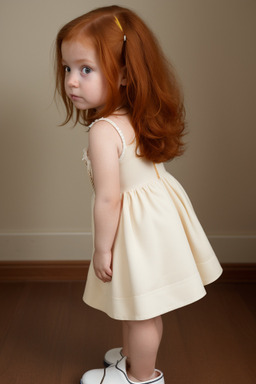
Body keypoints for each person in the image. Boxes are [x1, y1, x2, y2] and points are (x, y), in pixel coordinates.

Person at [55, 5, 223, 384]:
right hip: (158, 219)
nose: (71, 82)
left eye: (86, 69)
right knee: (139, 303)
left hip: (136, 228)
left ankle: (142, 377)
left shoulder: (102, 131)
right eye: (68, 68)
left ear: (125, 74)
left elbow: (108, 199)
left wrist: (102, 248)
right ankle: (131, 359)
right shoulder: (134, 114)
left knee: (142, 311)